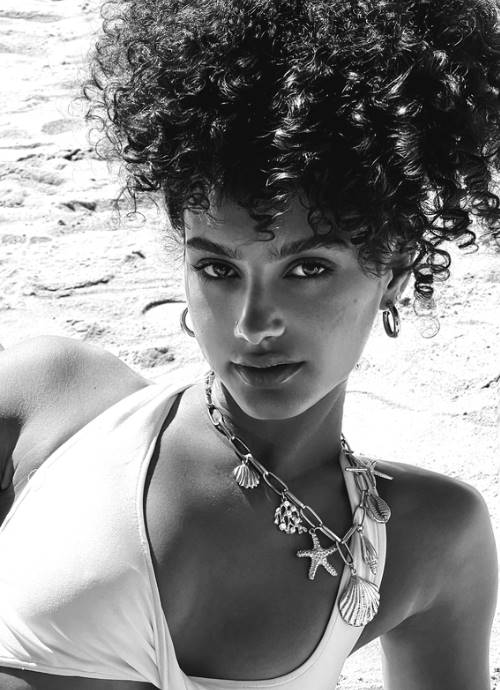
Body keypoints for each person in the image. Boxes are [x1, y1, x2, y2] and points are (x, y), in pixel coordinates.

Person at [0, 0, 498, 688]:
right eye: (218, 269)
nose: (251, 324)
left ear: (397, 270)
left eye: (308, 269)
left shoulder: (430, 538)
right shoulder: (51, 401)